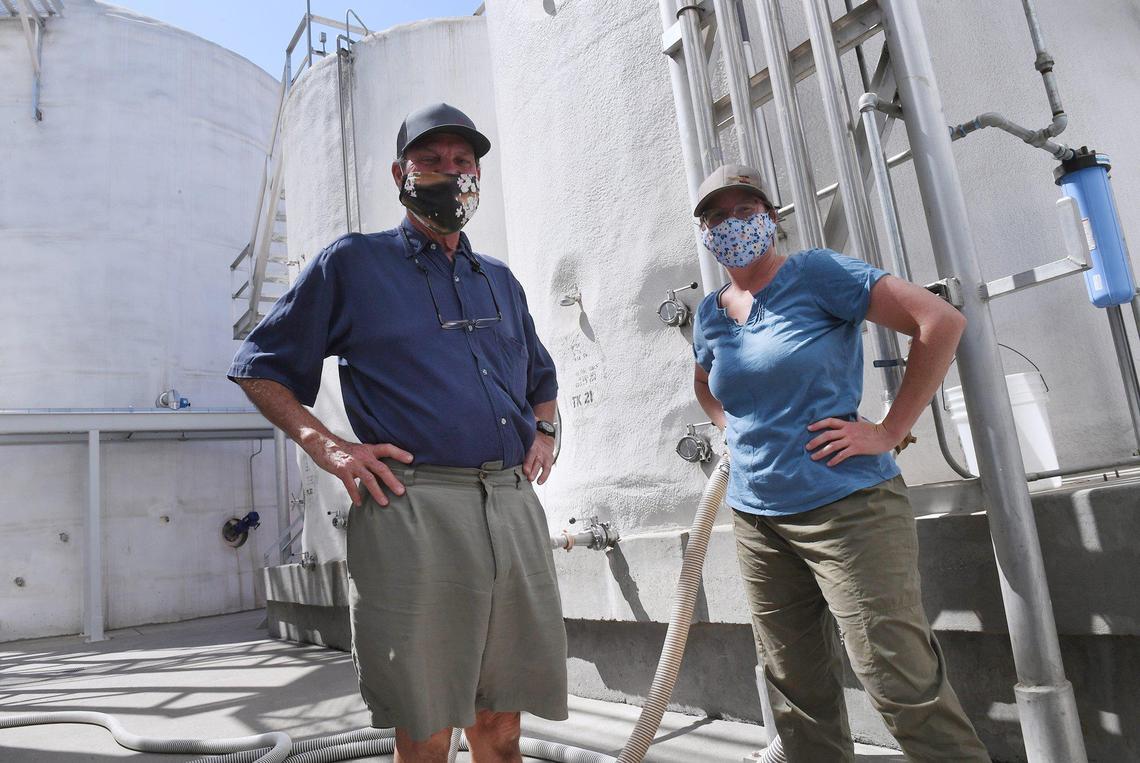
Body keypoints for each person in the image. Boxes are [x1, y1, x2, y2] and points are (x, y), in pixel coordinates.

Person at [229, 103, 567, 763]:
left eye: (462, 162)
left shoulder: (499, 279)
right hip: (415, 508)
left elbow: (541, 378)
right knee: (427, 720)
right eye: (430, 160)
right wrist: (327, 445)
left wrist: (546, 431)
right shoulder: (353, 263)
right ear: (399, 173)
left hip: (509, 505)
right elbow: (260, 367)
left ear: (477, 175)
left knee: (501, 723)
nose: (448, 174)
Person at [689, 164, 990, 761]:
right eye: (716, 216)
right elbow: (707, 386)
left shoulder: (817, 273)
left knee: (894, 675)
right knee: (794, 688)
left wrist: (889, 430)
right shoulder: (711, 312)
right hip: (757, 520)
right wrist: (734, 430)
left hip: (848, 510)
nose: (732, 224)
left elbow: (939, 321)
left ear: (770, 217)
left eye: (744, 209)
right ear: (704, 233)